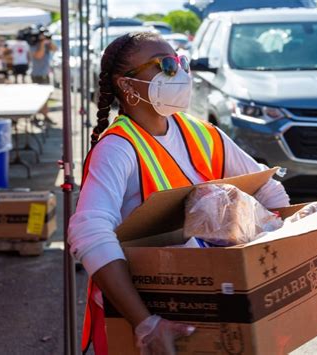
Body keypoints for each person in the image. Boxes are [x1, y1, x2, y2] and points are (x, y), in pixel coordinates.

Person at [68, 32, 290, 355]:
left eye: (181, 62)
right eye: (166, 66)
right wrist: (147, 325)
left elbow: (267, 188)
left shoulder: (202, 133)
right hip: (147, 316)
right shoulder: (118, 148)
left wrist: (282, 254)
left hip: (212, 302)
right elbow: (88, 231)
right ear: (127, 86)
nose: (181, 73)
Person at [30, 33, 57, 124]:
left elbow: (55, 49)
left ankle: (45, 116)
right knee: (36, 97)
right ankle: (35, 116)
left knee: (46, 97)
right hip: (37, 75)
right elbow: (39, 55)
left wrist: (49, 41)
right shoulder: (33, 46)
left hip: (45, 74)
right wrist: (41, 43)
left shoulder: (47, 45)